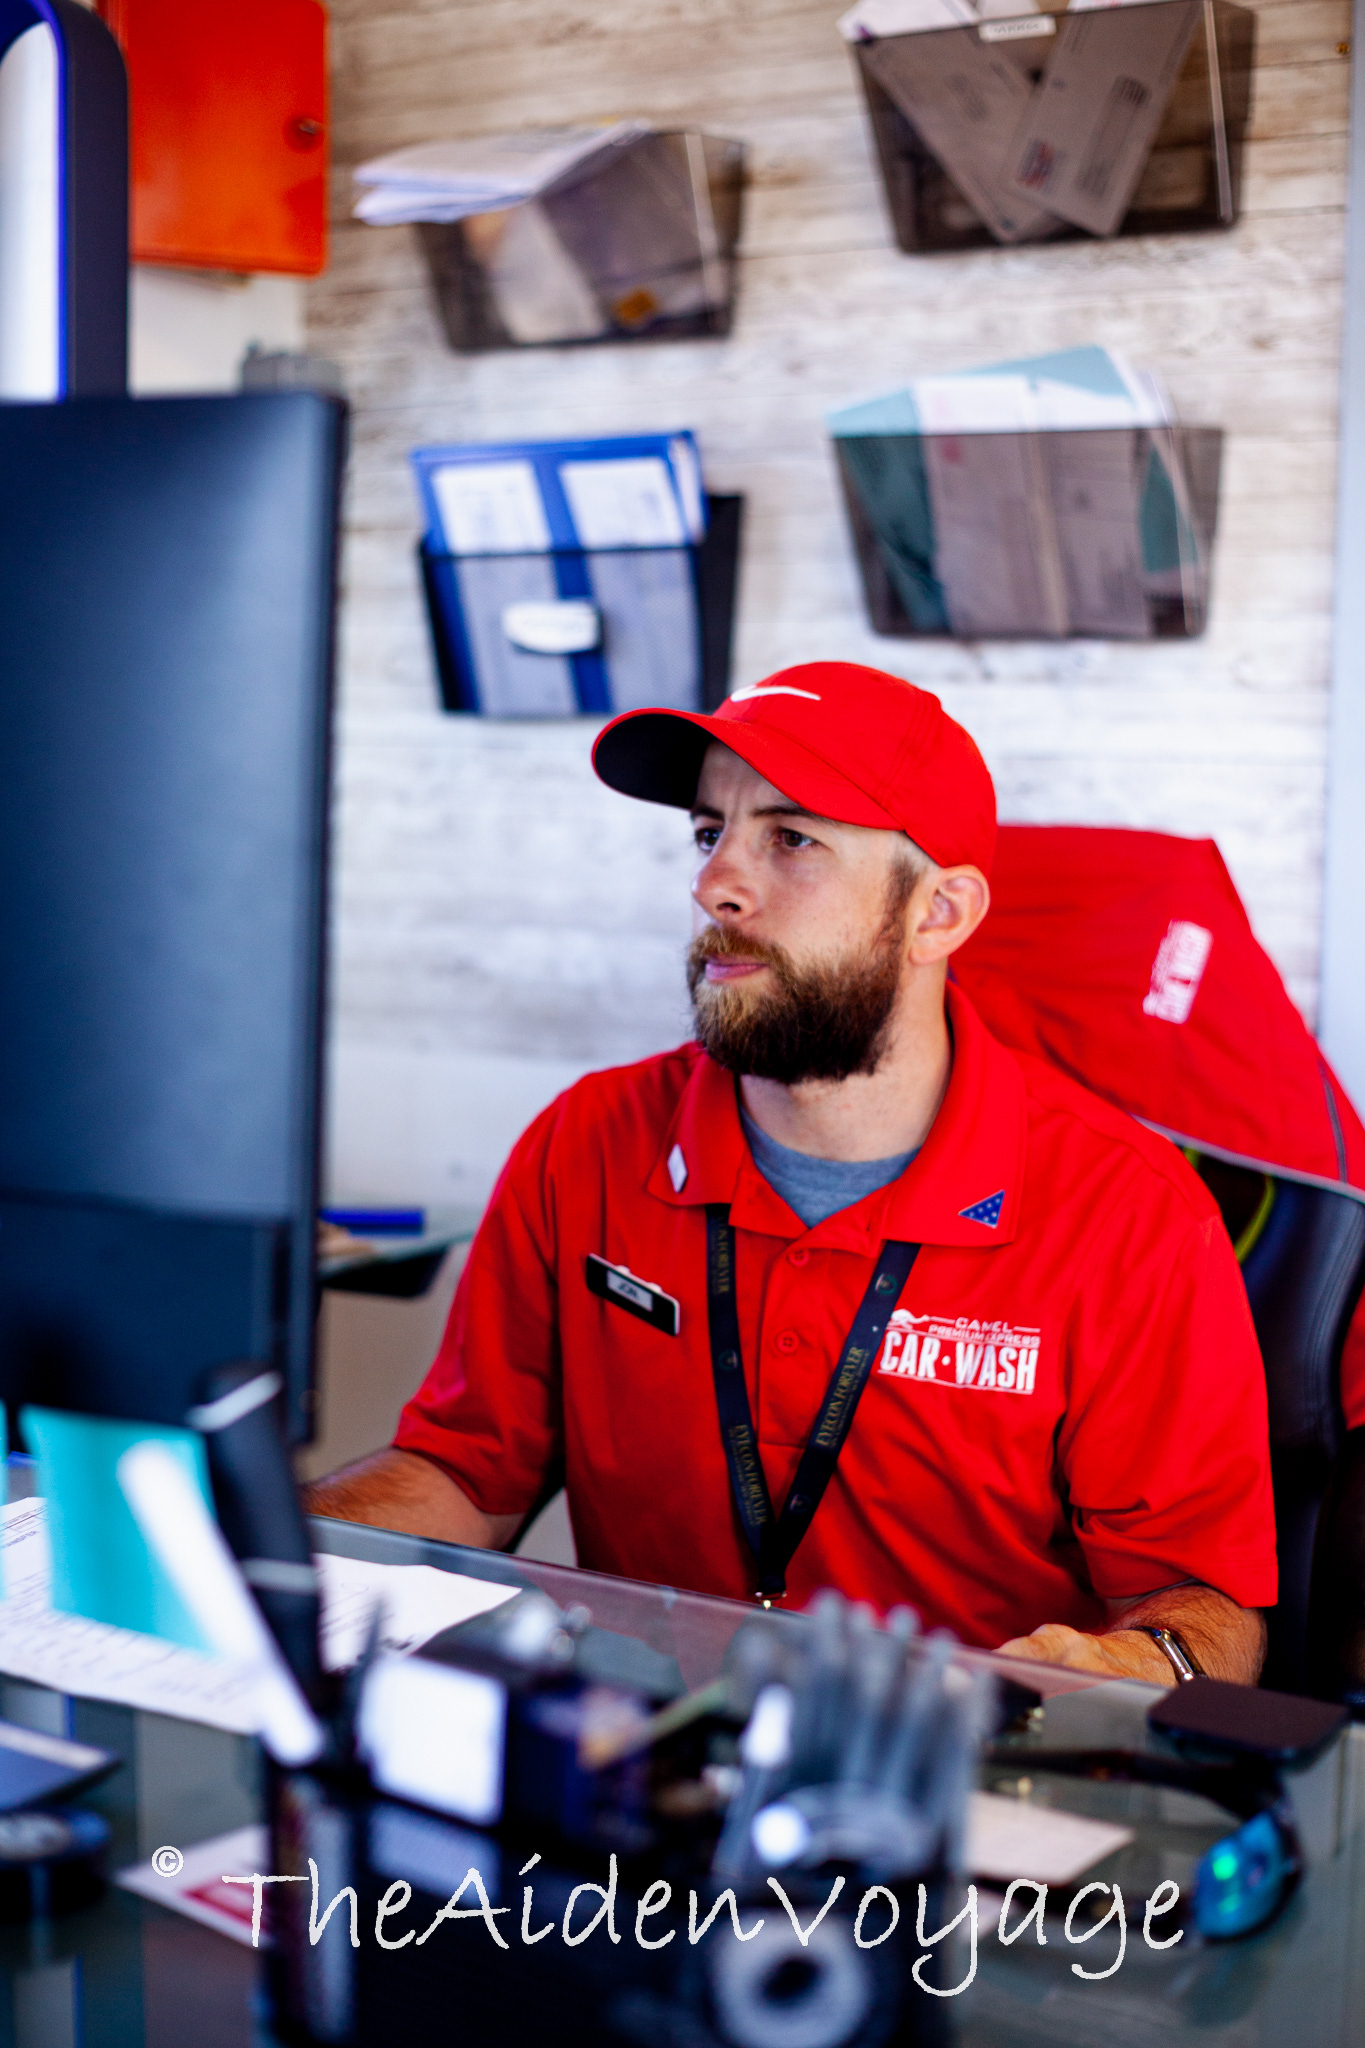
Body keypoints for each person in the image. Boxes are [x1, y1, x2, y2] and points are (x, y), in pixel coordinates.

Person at [308, 662, 1276, 1684]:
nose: (714, 883)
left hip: (955, 1763)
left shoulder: (1130, 1212)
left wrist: (1109, 1671)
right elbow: (467, 1472)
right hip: (644, 1751)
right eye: (708, 832)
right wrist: (268, 1550)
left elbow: (1210, 1613)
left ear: (939, 913)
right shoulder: (585, 1140)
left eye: (792, 838)